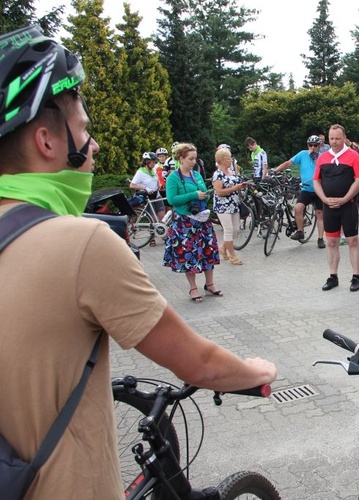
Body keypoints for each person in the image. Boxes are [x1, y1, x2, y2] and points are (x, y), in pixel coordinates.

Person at [0, 25, 276, 499]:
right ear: (47, 140)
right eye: (84, 129)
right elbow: (200, 364)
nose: (95, 145)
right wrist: (255, 369)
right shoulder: (81, 243)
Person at [164, 143, 223, 302]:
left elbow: (203, 192)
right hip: (185, 222)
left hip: (202, 220)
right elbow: (171, 199)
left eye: (195, 158)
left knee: (208, 251)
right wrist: (193, 195)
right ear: (181, 159)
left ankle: (210, 284)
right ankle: (193, 288)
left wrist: (206, 196)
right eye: (190, 159)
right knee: (189, 255)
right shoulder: (173, 177)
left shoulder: (196, 175)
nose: (193, 162)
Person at [313, 124, 359, 292]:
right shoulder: (322, 157)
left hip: (347, 205)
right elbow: (316, 181)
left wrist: (344, 199)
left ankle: (356, 276)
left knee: (352, 241)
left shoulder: (353, 156)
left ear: (344, 138)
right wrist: (324, 199)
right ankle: (333, 276)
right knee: (331, 242)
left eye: (337, 138)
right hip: (329, 207)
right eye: (331, 138)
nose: (334, 142)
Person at [275, 135, 326, 248]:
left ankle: (320, 238)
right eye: (310, 145)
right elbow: (288, 163)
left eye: (315, 145)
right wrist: (275, 170)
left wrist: (315, 157)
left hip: (319, 189)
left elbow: (324, 169)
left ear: (319, 146)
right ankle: (300, 231)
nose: (312, 147)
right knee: (298, 208)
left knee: (320, 214)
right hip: (306, 189)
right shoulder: (302, 154)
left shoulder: (323, 156)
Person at [212, 147, 249, 265]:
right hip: (223, 206)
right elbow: (218, 192)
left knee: (236, 229)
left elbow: (236, 184)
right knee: (228, 229)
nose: (230, 161)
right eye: (228, 158)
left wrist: (242, 186)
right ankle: (232, 256)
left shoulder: (232, 172)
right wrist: (235, 188)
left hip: (234, 204)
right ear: (222, 160)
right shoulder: (217, 174)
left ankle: (222, 247)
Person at [130, 151, 166, 236]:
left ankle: (164, 235)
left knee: (162, 218)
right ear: (147, 162)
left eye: (155, 162)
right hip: (148, 197)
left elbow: (156, 181)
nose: (155, 163)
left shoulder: (153, 170)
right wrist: (145, 188)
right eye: (153, 162)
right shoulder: (141, 172)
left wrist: (159, 185)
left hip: (157, 196)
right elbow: (132, 185)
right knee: (152, 221)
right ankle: (151, 239)